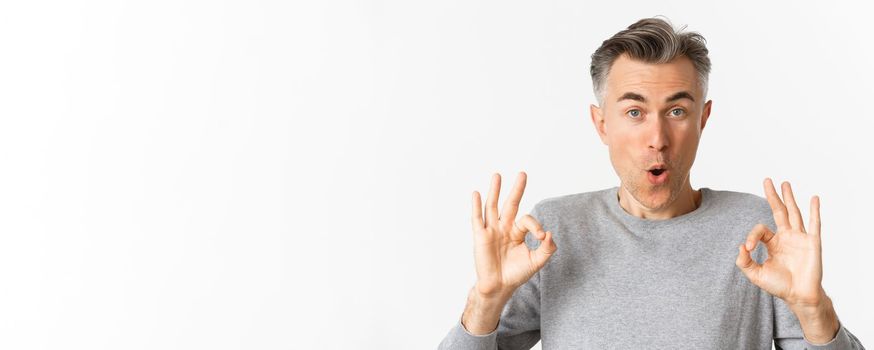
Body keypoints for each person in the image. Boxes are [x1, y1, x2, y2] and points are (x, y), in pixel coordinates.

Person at [438, 17, 866, 349]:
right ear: (601, 124)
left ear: (703, 119)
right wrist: (485, 300)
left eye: (677, 111)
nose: (657, 139)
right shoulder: (553, 231)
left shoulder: (759, 232)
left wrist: (814, 310)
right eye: (634, 112)